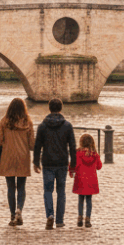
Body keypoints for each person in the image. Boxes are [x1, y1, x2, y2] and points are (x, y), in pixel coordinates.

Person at [33, 98, 76, 229]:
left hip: (47, 162)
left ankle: (49, 215)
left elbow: (37, 146)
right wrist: (73, 165)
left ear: (49, 108)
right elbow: (73, 147)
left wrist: (36, 162)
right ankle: (60, 220)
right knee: (61, 191)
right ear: (61, 108)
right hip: (62, 162)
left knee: (48, 190)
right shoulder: (67, 126)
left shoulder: (42, 126)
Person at [0, 98, 35, 227]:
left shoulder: (4, 121)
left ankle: (12, 215)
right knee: (22, 186)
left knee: (11, 187)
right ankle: (19, 209)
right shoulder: (28, 122)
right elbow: (32, 145)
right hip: (23, 157)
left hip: (8, 156)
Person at [72, 133, 102, 228]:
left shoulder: (78, 153)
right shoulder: (94, 154)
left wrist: (71, 171)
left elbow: (74, 165)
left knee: (80, 199)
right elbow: (99, 166)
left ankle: (80, 218)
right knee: (89, 200)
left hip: (80, 179)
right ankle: (88, 219)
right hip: (91, 181)